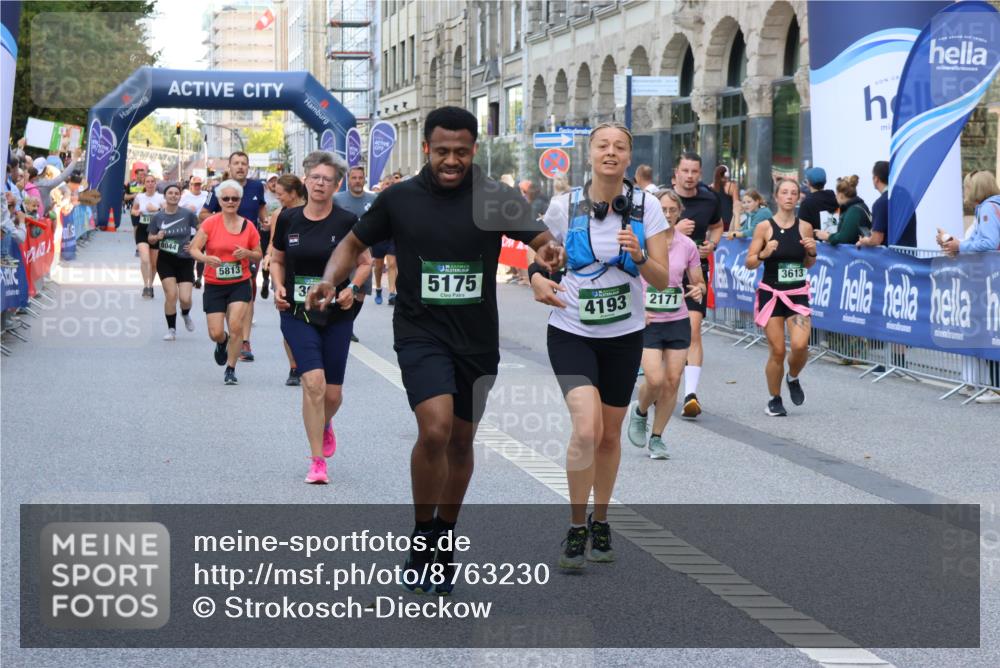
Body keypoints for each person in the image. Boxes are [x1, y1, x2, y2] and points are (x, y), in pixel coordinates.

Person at [306, 106, 560, 594]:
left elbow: (540, 240)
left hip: (477, 339)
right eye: (442, 151)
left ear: (474, 150)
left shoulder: (494, 197)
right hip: (420, 332)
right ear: (426, 148)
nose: (451, 160)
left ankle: (444, 537)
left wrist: (547, 254)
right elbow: (352, 243)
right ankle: (423, 534)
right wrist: (328, 279)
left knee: (461, 441)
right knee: (436, 428)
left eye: (461, 152)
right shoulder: (399, 198)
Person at [530, 121, 669, 568]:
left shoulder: (647, 207)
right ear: (590, 153)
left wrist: (640, 254)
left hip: (623, 335)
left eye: (620, 147)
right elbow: (537, 255)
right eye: (603, 145)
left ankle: (601, 519)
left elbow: (662, 279)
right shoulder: (565, 204)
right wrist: (536, 278)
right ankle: (576, 526)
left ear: (629, 157)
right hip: (571, 330)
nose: (611, 152)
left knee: (609, 436)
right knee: (587, 429)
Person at [271, 152, 372, 484]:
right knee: (313, 383)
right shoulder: (288, 219)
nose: (319, 184)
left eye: (327, 179)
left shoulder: (347, 222)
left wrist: (352, 289)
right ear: (305, 180)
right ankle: (317, 462)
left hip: (336, 314)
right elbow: (277, 260)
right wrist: (278, 286)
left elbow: (365, 263)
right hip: (297, 312)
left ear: (336, 185)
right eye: (315, 177)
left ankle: (325, 422)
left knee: (332, 395)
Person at [627, 189, 704, 459]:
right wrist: (638, 308)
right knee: (655, 379)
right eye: (662, 210)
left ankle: (657, 438)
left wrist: (699, 289)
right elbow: (626, 279)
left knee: (672, 381)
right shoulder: (641, 243)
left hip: (677, 319)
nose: (668, 215)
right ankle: (640, 411)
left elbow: (698, 281)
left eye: (673, 210)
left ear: (679, 212)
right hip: (648, 321)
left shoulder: (687, 245)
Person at [746, 179, 817, 416]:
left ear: (798, 198)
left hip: (797, 295)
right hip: (772, 294)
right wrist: (764, 253)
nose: (789, 196)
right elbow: (749, 262)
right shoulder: (764, 227)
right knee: (777, 350)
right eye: (784, 192)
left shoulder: (805, 227)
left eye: (793, 193)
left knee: (800, 345)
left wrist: (812, 252)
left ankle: (793, 377)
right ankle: (774, 399)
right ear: (776, 197)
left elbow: (808, 264)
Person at [189, 179, 263, 385]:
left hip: (240, 282)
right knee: (215, 332)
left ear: (240, 201)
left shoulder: (248, 226)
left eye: (235, 199)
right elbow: (194, 249)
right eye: (226, 198)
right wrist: (206, 259)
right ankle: (222, 342)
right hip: (214, 284)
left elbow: (259, 254)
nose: (230, 202)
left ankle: (231, 368)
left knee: (236, 326)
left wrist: (247, 253)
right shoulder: (210, 223)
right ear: (220, 201)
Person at [937, 171, 1000, 404]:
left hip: (991, 278)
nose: (967, 190)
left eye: (969, 186)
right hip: (991, 277)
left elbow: (989, 242)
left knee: (992, 332)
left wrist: (959, 246)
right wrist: (957, 244)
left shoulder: (987, 208)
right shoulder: (990, 207)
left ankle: (996, 388)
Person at [201, 152, 267, 362]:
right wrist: (223, 221)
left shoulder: (257, 187)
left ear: (248, 167)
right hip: (222, 249)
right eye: (236, 163)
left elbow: (261, 207)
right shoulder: (218, 189)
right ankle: (228, 337)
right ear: (229, 167)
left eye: (244, 163)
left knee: (248, 291)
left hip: (248, 246)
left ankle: (244, 340)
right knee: (229, 301)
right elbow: (203, 213)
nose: (240, 167)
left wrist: (265, 220)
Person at [672, 151, 723, 419]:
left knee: (693, 329)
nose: (690, 176)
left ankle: (690, 395)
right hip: (664, 275)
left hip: (695, 273)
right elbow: (645, 235)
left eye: (694, 171)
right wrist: (674, 231)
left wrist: (711, 244)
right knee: (663, 333)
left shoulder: (708, 199)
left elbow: (718, 226)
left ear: (700, 174)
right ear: (676, 173)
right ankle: (662, 384)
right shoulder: (663, 201)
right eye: (685, 171)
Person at [267, 174, 309, 386]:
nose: (278, 198)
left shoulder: (315, 209)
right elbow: (275, 243)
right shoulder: (279, 214)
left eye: (280, 194)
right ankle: (294, 366)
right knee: (289, 321)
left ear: (293, 193)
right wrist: (269, 257)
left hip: (313, 274)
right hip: (287, 271)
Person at [147, 183, 198, 340]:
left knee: (185, 299)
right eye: (170, 193)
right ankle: (171, 329)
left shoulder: (188, 214)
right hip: (166, 260)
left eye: (177, 193)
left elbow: (202, 230)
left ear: (180, 196)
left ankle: (185, 313)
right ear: (165, 196)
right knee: (171, 295)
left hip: (185, 260)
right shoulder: (158, 217)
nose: (174, 195)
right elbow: (150, 238)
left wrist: (194, 243)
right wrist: (157, 237)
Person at [858, 160, 917, 249]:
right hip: (909, 254)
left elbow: (876, 240)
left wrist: (864, 240)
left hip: (891, 256)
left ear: (876, 179)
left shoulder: (880, 203)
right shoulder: (906, 196)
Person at [131, 173, 165, 298]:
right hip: (142, 229)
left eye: (152, 181)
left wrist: (156, 209)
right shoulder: (139, 197)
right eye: (147, 182)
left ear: (155, 184)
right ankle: (146, 286)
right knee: (145, 259)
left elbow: (167, 211)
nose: (150, 184)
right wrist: (136, 212)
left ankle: (151, 285)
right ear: (144, 184)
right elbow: (133, 210)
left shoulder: (160, 197)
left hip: (155, 230)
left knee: (154, 263)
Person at [815, 175, 870, 246]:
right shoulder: (860, 206)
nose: (835, 197)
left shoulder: (853, 211)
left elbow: (845, 238)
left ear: (840, 195)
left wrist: (827, 236)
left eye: (836, 194)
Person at [797, 167, 838, 231]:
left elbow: (801, 228)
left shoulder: (806, 203)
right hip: (835, 236)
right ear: (825, 181)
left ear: (808, 183)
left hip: (814, 237)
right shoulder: (835, 198)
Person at [711, 164, 741, 231]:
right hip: (728, 221)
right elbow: (736, 205)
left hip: (714, 222)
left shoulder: (710, 187)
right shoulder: (731, 186)